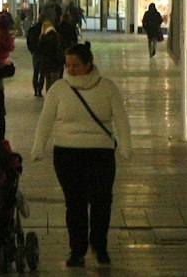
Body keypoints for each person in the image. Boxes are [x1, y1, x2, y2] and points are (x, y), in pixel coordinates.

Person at [33, 42, 131, 268]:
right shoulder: (58, 89)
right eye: (68, 65)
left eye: (76, 65)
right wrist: (39, 146)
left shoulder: (107, 88)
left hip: (101, 153)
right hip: (67, 153)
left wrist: (126, 145)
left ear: (89, 64)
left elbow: (121, 119)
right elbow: (45, 121)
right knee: (74, 203)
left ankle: (99, 245)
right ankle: (77, 250)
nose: (71, 69)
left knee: (101, 201)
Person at [32, 19, 65, 97]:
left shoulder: (44, 37)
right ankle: (54, 95)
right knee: (55, 80)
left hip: (46, 62)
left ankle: (49, 96)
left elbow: (40, 49)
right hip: (56, 62)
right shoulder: (57, 36)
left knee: (48, 79)